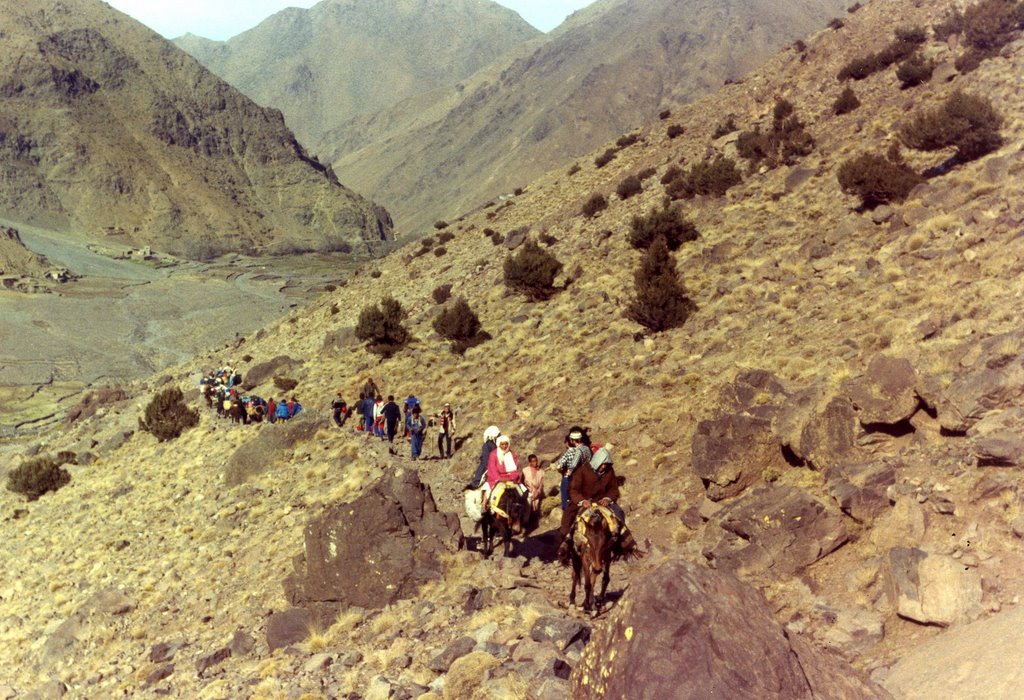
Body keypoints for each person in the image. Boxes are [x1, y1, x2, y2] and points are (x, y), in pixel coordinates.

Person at [557, 446, 636, 563]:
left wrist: (607, 499)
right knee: (567, 521)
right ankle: (566, 549)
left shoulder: (609, 471)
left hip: (601, 501)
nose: (604, 466)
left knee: (619, 514)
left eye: (606, 463)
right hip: (583, 501)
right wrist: (582, 501)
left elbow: (613, 490)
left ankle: (622, 546)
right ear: (597, 461)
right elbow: (573, 490)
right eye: (602, 463)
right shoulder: (582, 470)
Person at [552, 427, 592, 510]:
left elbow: (574, 464)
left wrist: (568, 472)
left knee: (567, 499)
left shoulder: (578, 450)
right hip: (587, 476)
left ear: (572, 440)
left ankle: (567, 510)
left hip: (576, 477)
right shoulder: (587, 448)